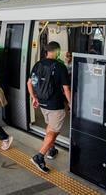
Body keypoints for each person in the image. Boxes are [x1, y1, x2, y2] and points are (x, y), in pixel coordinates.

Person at [27, 41, 72, 173]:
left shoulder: (38, 64)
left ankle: (52, 149)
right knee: (53, 131)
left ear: (47, 51)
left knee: (50, 126)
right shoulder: (60, 66)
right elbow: (66, 88)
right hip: (55, 105)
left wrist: (34, 97)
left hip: (42, 102)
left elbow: (29, 83)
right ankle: (39, 156)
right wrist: (71, 103)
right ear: (57, 51)